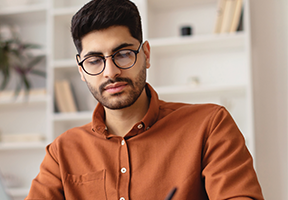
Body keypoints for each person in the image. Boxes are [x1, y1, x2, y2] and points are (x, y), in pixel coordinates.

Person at [25, 0, 264, 199]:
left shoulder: (210, 125)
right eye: (95, 60)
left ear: (146, 55)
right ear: (81, 70)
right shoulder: (62, 151)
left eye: (124, 54)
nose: (110, 72)